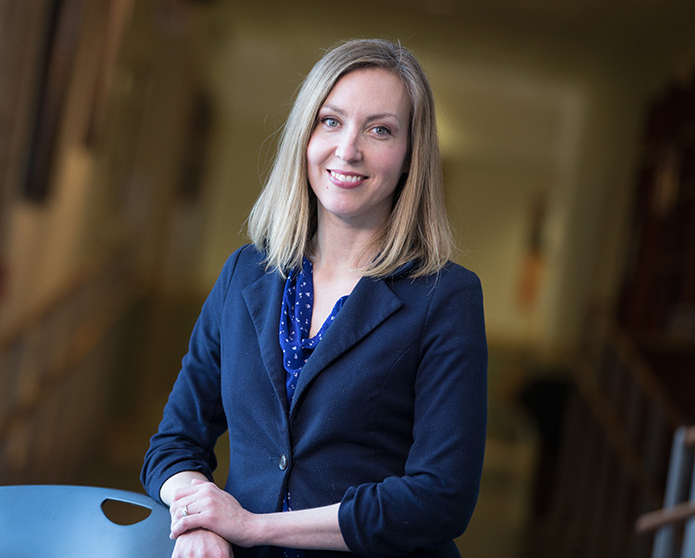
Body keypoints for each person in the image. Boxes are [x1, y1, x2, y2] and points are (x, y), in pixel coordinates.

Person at [141, 38, 488, 558]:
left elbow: (440, 498)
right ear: (304, 134)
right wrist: (200, 517)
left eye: (380, 129)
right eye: (331, 120)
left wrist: (253, 526)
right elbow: (173, 444)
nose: (348, 149)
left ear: (411, 155)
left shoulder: (446, 298)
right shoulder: (244, 275)